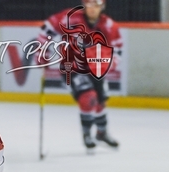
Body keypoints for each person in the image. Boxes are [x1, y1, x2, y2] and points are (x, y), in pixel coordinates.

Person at [40, 0, 123, 150]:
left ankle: (102, 132)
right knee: (88, 97)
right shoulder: (70, 18)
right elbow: (47, 28)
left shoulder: (109, 26)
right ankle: (87, 135)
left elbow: (117, 48)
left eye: (96, 5)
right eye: (89, 5)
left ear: (102, 7)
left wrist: (109, 65)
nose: (92, 9)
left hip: (95, 68)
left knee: (99, 101)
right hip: (72, 67)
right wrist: (42, 53)